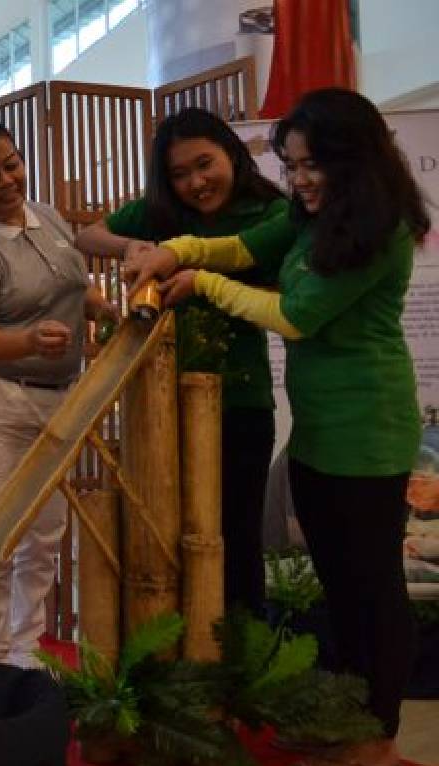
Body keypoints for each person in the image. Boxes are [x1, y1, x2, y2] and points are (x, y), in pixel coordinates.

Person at [125, 88, 426, 766]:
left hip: (368, 433)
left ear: (353, 158)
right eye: (291, 166)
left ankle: (378, 741)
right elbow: (238, 244)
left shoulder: (376, 231)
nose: (299, 180)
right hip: (321, 433)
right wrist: (177, 253)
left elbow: (295, 316)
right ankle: (345, 723)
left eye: (312, 164)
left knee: (371, 589)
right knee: (340, 587)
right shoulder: (309, 216)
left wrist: (199, 283)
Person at [75, 107, 288, 614]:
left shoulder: (270, 214)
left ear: (232, 154)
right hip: (159, 401)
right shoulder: (162, 212)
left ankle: (237, 659)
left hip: (239, 399)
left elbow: (283, 295)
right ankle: (178, 665)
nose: (195, 182)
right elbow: (85, 236)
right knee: (163, 535)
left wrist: (197, 271)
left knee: (234, 539)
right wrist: (135, 243)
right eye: (179, 173)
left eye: (205, 163)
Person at [0, 118, 116, 668]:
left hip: (61, 397)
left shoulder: (46, 217)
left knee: (44, 532)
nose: (6, 181)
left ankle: (25, 648)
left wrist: (102, 306)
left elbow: (71, 283)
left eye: (11, 165)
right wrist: (26, 341)